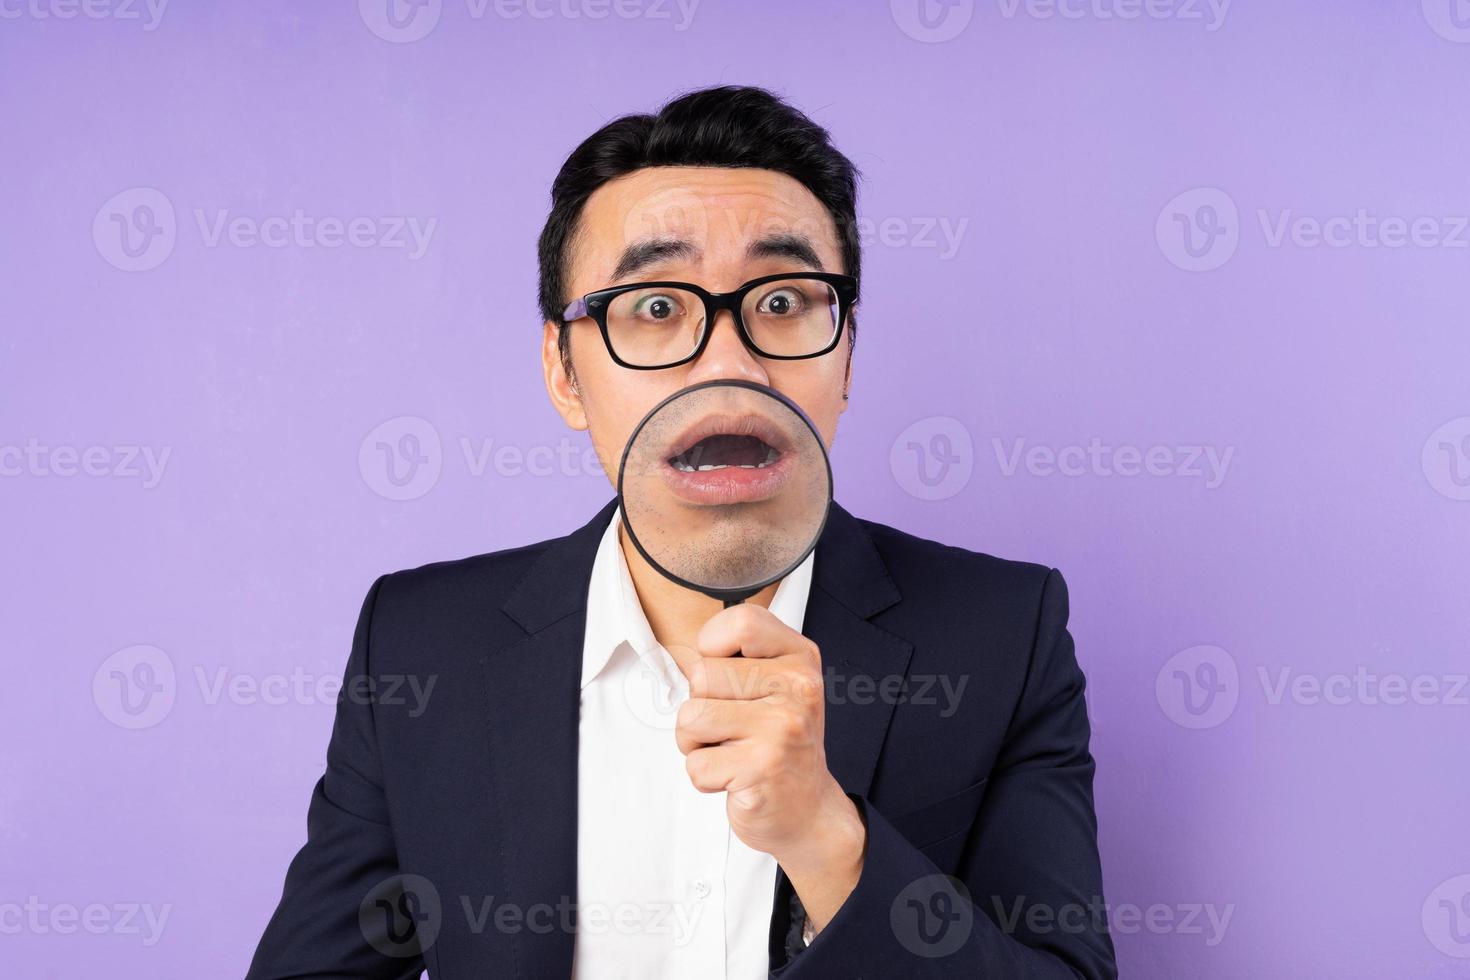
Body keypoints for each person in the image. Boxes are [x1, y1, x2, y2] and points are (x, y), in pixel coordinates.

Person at [247, 84, 1116, 979]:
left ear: (846, 354)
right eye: (657, 309)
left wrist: (831, 844)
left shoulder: (1002, 632)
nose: (731, 365)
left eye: (782, 303)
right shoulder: (422, 642)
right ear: (564, 372)